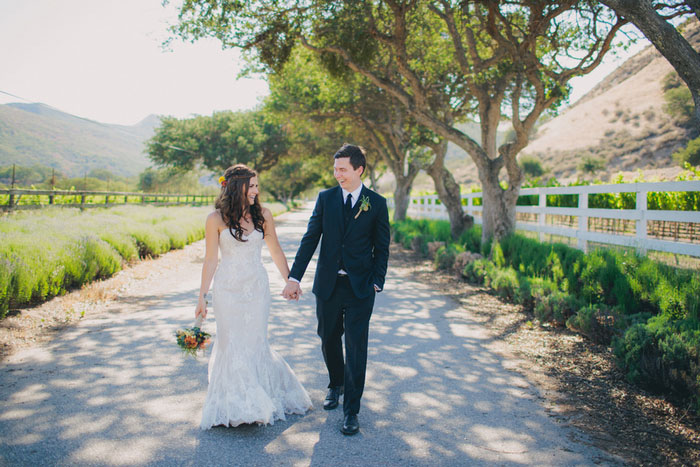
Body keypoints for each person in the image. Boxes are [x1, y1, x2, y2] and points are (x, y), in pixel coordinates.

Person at [283, 144, 390, 436]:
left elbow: (382, 247)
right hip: (328, 284)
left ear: (359, 169)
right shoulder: (326, 198)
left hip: (360, 288)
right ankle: (335, 383)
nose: (337, 174)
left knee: (356, 347)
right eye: (335, 169)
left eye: (342, 169)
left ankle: (351, 411)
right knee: (328, 337)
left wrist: (377, 280)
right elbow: (310, 239)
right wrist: (294, 277)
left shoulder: (376, 203)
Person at [195, 164, 312, 430]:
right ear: (237, 186)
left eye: (257, 186)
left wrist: (290, 281)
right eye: (253, 186)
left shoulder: (264, 215)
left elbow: (276, 250)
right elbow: (211, 260)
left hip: (256, 289)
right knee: (230, 342)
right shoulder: (215, 219)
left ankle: (258, 398)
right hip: (227, 291)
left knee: (255, 340)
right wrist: (202, 297)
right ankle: (236, 404)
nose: (257, 191)